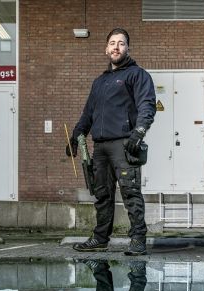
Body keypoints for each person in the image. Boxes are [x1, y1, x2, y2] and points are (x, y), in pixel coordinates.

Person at [66, 27, 156, 255]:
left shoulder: (137, 75)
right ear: (106, 49)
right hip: (101, 148)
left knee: (130, 192)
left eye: (121, 43)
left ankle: (137, 239)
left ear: (128, 48)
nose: (116, 47)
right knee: (102, 194)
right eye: (113, 43)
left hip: (124, 144)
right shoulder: (99, 82)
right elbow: (88, 113)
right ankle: (100, 239)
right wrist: (76, 136)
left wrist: (140, 131)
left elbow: (147, 104)